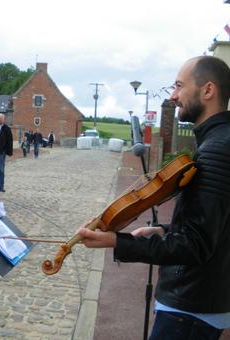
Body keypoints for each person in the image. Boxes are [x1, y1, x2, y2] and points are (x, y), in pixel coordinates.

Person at [78, 56, 230, 339]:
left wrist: (116, 241)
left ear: (208, 91)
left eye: (179, 86)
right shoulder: (219, 141)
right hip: (198, 305)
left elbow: (196, 246)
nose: (173, 96)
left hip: (189, 310)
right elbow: (217, 228)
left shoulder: (217, 149)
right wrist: (163, 229)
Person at [0, 113, 13, 192]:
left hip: (2, 152)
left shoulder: (7, 129)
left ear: (4, 119)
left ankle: (1, 186)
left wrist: (9, 152)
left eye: (1, 118)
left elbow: (10, 140)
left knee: (1, 170)